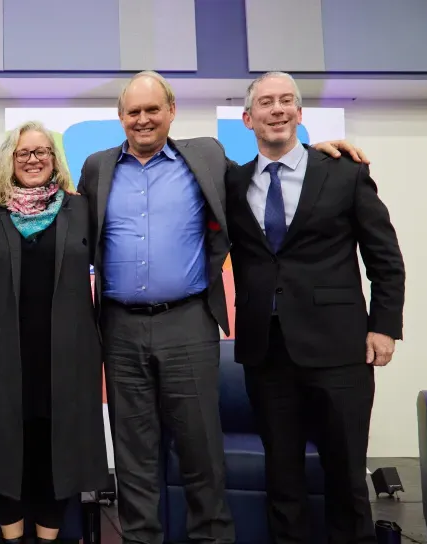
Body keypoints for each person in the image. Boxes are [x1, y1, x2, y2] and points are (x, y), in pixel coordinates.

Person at [75, 70, 367, 544]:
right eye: (134, 112)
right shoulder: (96, 167)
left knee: (201, 452)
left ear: (172, 111)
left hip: (189, 322)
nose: (144, 119)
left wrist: (316, 154)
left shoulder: (206, 156)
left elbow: (267, 170)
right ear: (120, 117)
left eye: (154, 110)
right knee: (133, 455)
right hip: (120, 327)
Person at [226, 71, 404, 544]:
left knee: (346, 478)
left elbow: (385, 258)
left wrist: (384, 327)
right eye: (266, 103)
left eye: (287, 101)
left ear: (300, 115)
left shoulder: (345, 172)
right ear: (248, 118)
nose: (277, 109)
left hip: (340, 348)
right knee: (282, 482)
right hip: (267, 354)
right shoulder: (232, 182)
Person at [0, 121, 110, 543]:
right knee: (5, 448)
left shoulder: (80, 209)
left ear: (54, 159)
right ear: (10, 159)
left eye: (42, 152)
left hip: (66, 352)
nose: (33, 159)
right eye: (23, 153)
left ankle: (48, 539)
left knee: (54, 450)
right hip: (0, 351)